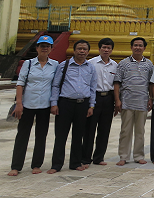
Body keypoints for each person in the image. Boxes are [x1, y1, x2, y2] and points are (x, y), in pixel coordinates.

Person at [8, 35, 58, 176]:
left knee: (41, 136)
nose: (44, 48)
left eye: (47, 46)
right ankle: (16, 166)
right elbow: (20, 83)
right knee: (22, 135)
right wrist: (19, 104)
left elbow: (55, 85)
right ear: (37, 48)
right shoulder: (28, 63)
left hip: (44, 105)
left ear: (51, 49)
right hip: (28, 104)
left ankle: (36, 164)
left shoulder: (55, 65)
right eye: (42, 46)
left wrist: (54, 103)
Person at [47, 40, 96, 173]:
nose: (82, 51)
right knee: (61, 135)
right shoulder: (64, 65)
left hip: (83, 104)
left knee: (78, 134)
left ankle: (75, 162)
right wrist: (54, 103)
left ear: (88, 52)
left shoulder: (90, 67)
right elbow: (56, 85)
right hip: (65, 103)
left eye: (84, 49)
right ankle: (56, 164)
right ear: (74, 51)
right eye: (79, 48)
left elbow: (92, 87)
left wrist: (91, 106)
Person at [114, 37, 153, 166]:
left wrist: (150, 98)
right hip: (127, 102)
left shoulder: (149, 64)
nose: (137, 47)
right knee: (125, 131)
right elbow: (117, 83)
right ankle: (123, 156)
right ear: (131, 47)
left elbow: (151, 84)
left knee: (140, 131)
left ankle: (138, 155)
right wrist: (117, 100)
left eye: (140, 45)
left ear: (144, 48)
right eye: (135, 45)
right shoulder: (123, 63)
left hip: (142, 102)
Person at [82, 37, 117, 168]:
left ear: (112, 50)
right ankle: (85, 157)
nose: (106, 50)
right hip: (94, 97)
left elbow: (116, 85)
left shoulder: (115, 65)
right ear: (99, 49)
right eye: (104, 47)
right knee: (89, 129)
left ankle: (99, 157)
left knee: (104, 129)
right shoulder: (91, 63)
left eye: (109, 48)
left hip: (108, 98)